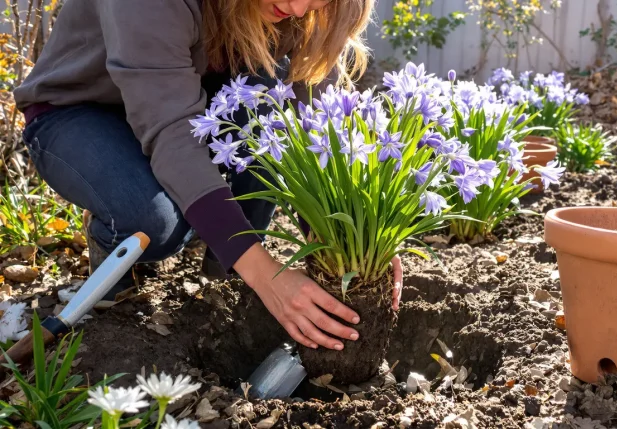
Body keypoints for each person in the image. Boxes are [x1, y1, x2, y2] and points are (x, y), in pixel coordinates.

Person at [13, 0, 403, 353]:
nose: (299, 9)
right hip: (81, 110)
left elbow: (313, 122)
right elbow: (173, 131)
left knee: (271, 105)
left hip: (193, 99)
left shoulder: (296, 9)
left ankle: (227, 275)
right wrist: (268, 277)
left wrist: (352, 238)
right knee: (156, 224)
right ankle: (115, 223)